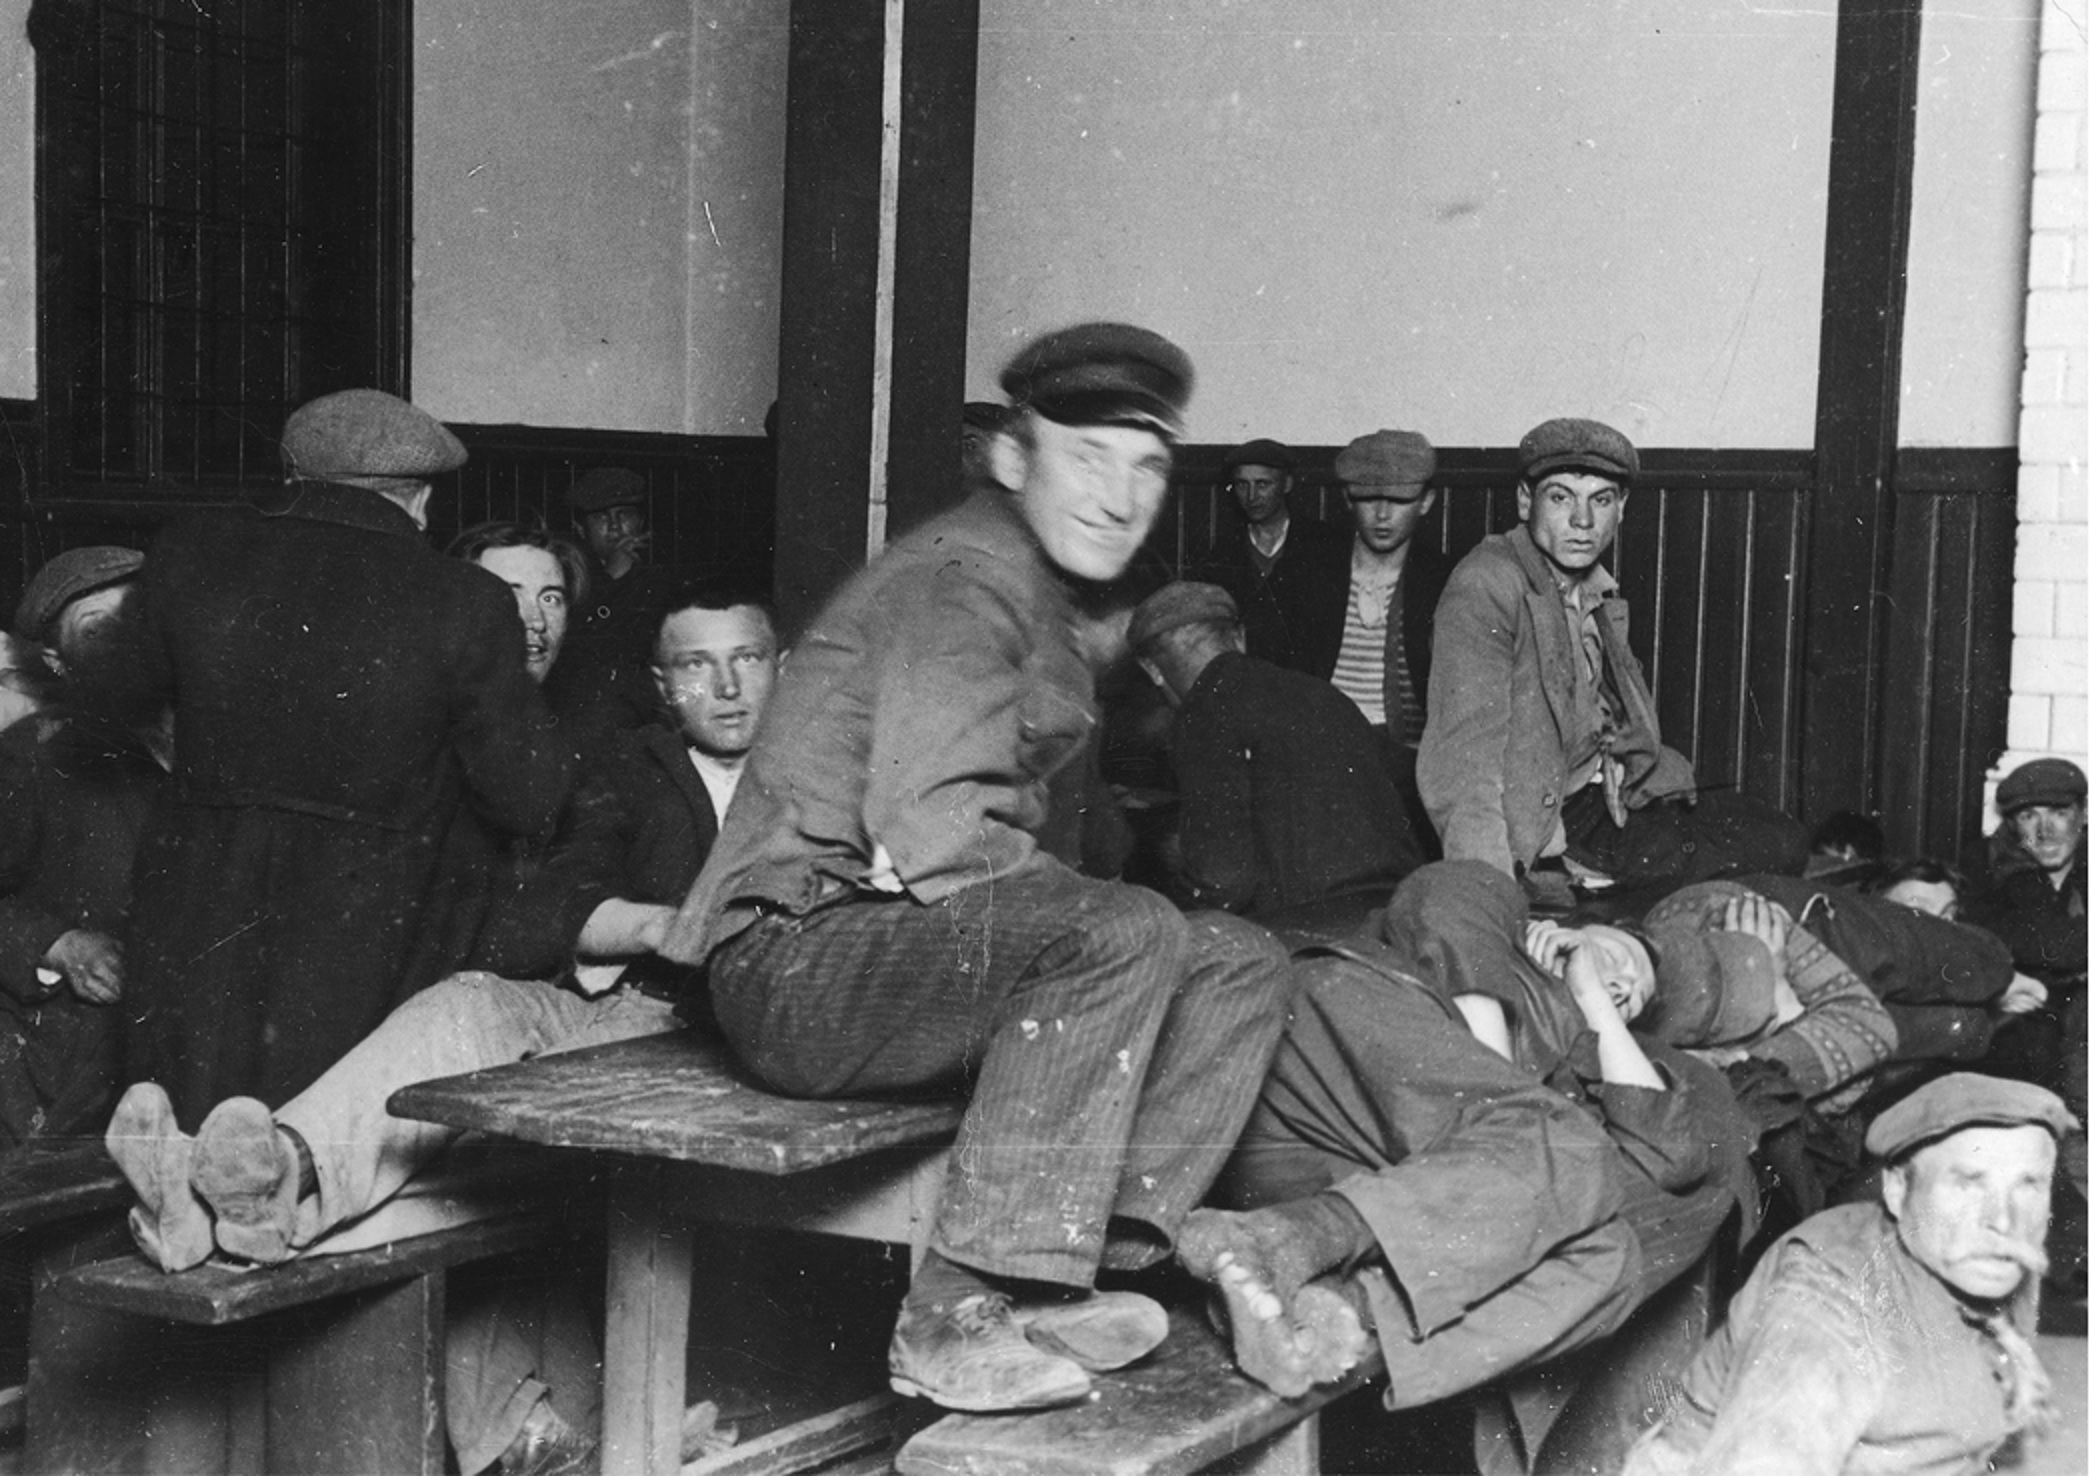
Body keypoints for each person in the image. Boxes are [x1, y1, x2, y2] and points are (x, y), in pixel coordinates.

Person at [659, 322, 1293, 1414]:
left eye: (1146, 467)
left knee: (1238, 959)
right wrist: (1101, 924)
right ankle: (952, 1312)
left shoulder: (1033, 590)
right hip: (795, 956)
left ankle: (1075, 1274)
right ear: (1011, 457)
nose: (1119, 498)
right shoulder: (962, 577)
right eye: (1087, 458)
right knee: (1128, 930)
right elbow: (943, 832)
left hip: (885, 949)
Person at [107, 589, 780, 1476]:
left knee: (462, 1160)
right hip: (619, 1005)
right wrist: (660, 924)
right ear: (662, 685)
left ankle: (210, 1212)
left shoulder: (829, 776)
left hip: (713, 1042)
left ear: (784, 668)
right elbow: (561, 903)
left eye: (747, 659)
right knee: (467, 1003)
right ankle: (277, 1166)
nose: (726, 686)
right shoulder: (631, 768)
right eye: (697, 665)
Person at [117, 389, 573, 1122]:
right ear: (420, 499)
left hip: (198, 907)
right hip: (367, 926)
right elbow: (527, 796)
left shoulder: (189, 553)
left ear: (294, 476)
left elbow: (115, 698)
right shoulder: (464, 598)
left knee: (194, 1117)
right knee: (323, 1132)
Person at [1180, 861, 1753, 1421]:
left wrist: (1597, 1002)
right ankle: (1280, 1247)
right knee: (1568, 1150)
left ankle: (1333, 1304)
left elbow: (1672, 1155)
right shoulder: (1497, 912)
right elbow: (1442, 892)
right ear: (1574, 926)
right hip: (1330, 1053)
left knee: (1612, 1259)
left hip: (1338, 1178)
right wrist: (1507, 1103)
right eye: (1621, 957)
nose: (1622, 983)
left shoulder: (1578, 1067)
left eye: (1632, 998)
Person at [1418, 417, 1807, 889]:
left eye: (1600, 500)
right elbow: (1462, 765)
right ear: (1525, 500)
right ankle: (1583, 878)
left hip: (1606, 792)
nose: (1582, 521)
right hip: (1555, 822)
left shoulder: (1593, 589)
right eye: (1560, 497)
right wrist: (1490, 895)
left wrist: (1628, 759)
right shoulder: (1487, 584)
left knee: (1777, 830)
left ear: (1621, 508)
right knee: (1776, 847)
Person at [1625, 1073, 2075, 1475]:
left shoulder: (1983, 1255)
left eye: (2029, 1185)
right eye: (1968, 1183)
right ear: (1897, 1189)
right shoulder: (1828, 1309)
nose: (2004, 1220)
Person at [0, 548, 168, 1145]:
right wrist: (58, 944)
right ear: (57, 661)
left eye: (138, 616)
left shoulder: (228, 745)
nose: (125, 641)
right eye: (95, 627)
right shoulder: (33, 757)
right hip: (75, 1076)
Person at [1127, 580, 1420, 916]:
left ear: (1152, 669)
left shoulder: (1203, 711)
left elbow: (1223, 882)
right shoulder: (1321, 693)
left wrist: (1173, 909)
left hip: (1313, 925)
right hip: (1395, 908)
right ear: (1239, 638)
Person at [1197, 438, 1349, 675]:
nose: (1251, 496)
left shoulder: (1323, 543)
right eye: (1242, 485)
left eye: (1263, 484)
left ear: (1287, 484)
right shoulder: (1222, 554)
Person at [548, 467, 677, 729]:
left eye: (625, 515)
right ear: (581, 529)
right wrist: (613, 579)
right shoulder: (566, 575)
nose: (615, 526)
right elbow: (570, 658)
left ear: (641, 522)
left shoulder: (664, 578)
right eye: (601, 518)